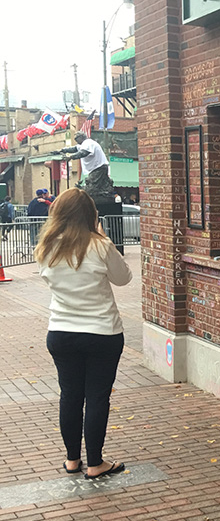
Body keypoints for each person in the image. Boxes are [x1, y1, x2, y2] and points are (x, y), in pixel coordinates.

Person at [34, 189, 132, 479]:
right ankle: (96, 463)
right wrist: (104, 239)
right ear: (92, 215)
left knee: (70, 396)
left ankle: (72, 460)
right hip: (102, 331)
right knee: (98, 397)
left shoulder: (47, 247)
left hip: (62, 331)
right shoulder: (100, 246)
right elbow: (123, 278)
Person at [59, 132, 114, 200]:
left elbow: (83, 153)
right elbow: (74, 148)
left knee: (91, 186)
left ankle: (97, 199)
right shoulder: (83, 144)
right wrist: (63, 150)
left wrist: (71, 157)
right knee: (102, 186)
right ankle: (105, 195)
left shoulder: (88, 143)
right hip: (98, 167)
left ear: (81, 137)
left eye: (76, 138)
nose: (75, 140)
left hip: (98, 167)